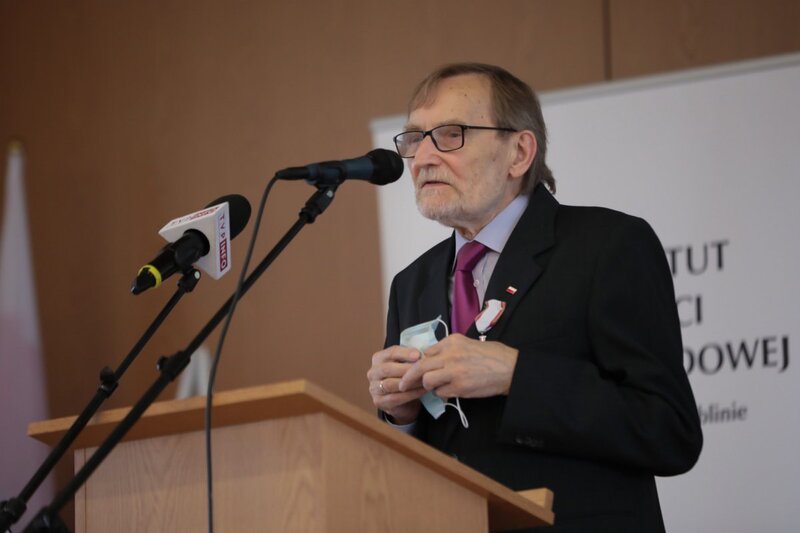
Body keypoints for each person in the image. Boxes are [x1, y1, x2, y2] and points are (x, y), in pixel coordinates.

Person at [366, 63, 702, 532]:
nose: (422, 158)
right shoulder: (412, 283)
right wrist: (399, 417)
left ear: (519, 152)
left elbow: (669, 431)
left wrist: (517, 375)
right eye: (415, 139)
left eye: (449, 134)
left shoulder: (607, 246)